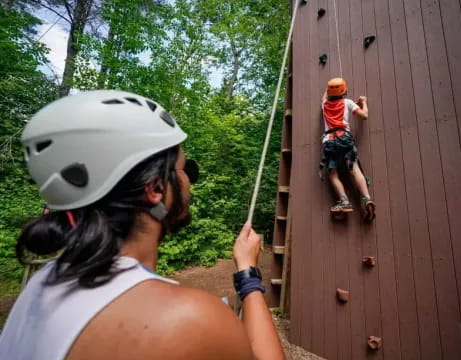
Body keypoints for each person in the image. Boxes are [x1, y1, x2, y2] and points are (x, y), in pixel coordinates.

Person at [0, 90, 285, 360]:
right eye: (185, 169)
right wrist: (248, 275)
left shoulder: (44, 281)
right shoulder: (188, 319)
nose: (190, 180)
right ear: (157, 188)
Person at [321, 78, 376, 221]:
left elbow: (325, 96)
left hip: (330, 142)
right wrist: (363, 102)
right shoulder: (348, 103)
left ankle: (344, 201)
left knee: (333, 174)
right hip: (345, 139)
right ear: (344, 91)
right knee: (354, 169)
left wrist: (329, 89)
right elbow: (364, 116)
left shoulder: (325, 105)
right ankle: (367, 199)